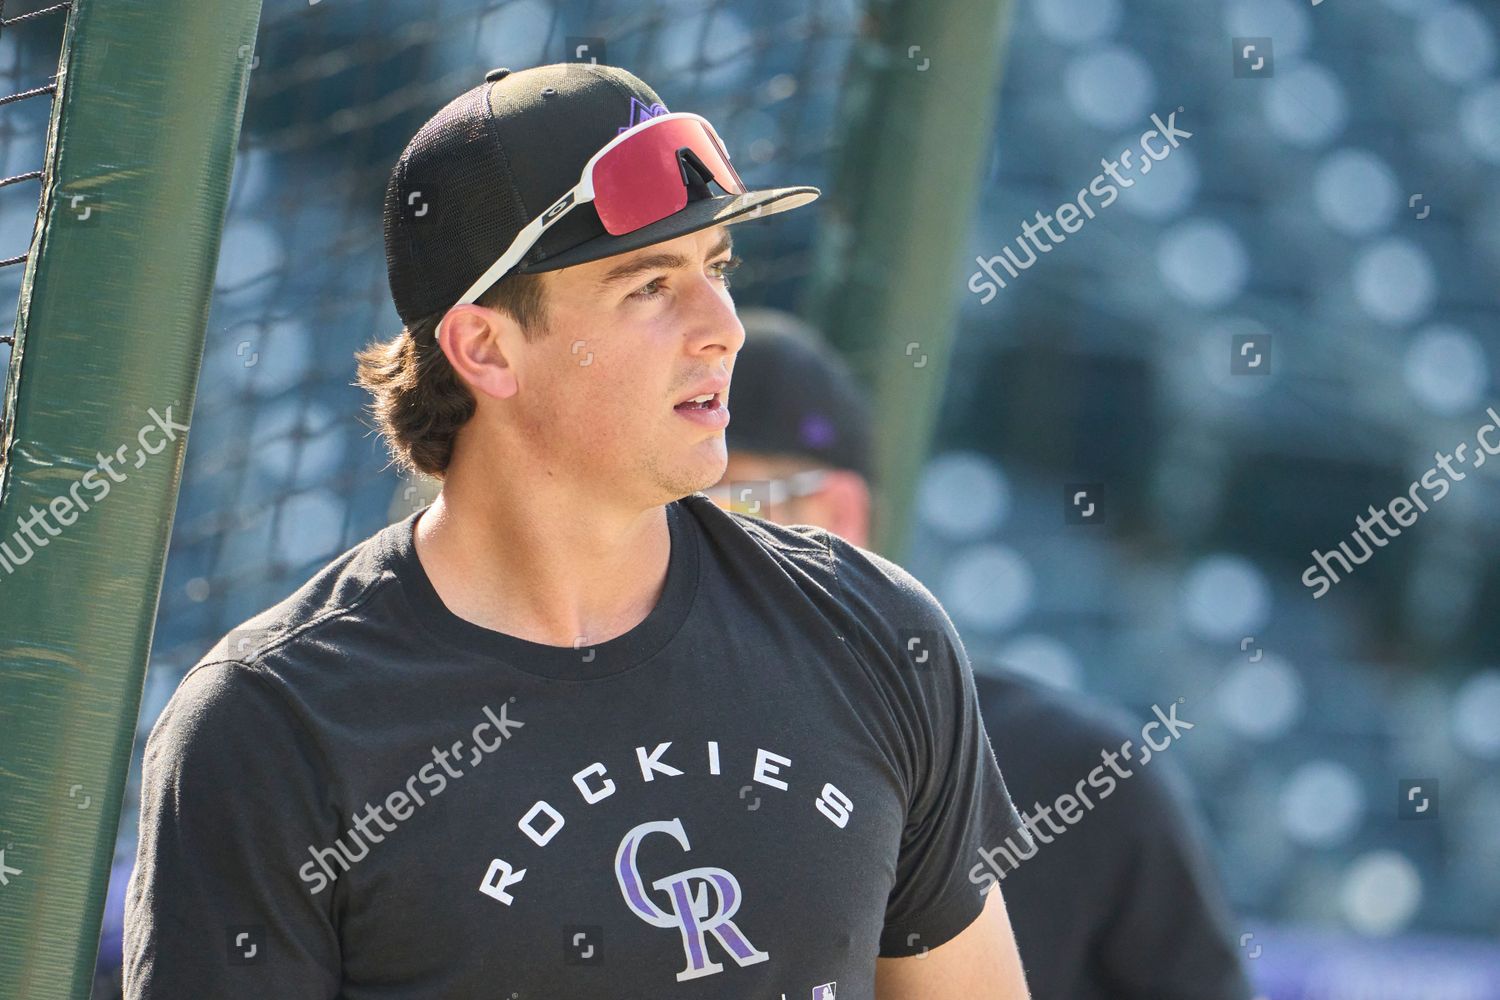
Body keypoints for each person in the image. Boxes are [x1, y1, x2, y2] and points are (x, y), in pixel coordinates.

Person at [123, 64, 1033, 999]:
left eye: (717, 267)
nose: (724, 326)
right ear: (486, 349)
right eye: (649, 284)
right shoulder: (271, 726)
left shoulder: (873, 629)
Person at [711, 307, 1257, 1000]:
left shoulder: (1077, 776)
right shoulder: (600, 734)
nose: (684, 541)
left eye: (724, 501)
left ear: (838, 517)